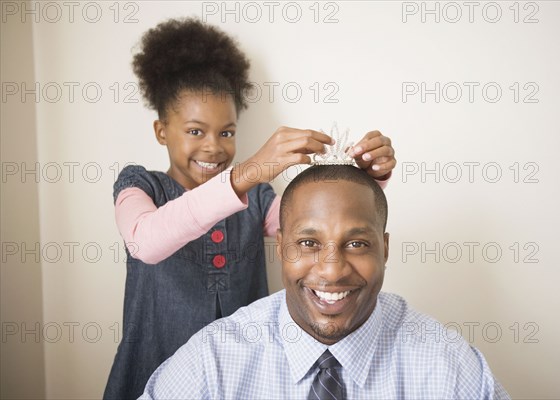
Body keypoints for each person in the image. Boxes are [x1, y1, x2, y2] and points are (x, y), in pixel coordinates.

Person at [104, 18, 397, 399]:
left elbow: (314, 232)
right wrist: (248, 172)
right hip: (152, 369)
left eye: (226, 132)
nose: (214, 146)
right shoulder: (140, 185)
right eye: (196, 131)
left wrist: (368, 181)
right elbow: (146, 242)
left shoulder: (256, 199)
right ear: (161, 131)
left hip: (239, 374)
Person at [139, 165, 510, 399]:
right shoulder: (212, 363)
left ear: (384, 248)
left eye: (357, 243)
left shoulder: (448, 367)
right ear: (281, 246)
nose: (332, 271)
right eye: (308, 243)